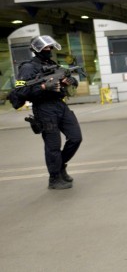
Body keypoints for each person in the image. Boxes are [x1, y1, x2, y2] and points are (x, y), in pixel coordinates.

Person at [12, 35, 82, 190]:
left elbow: (72, 81)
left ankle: (60, 166)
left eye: (50, 47)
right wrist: (43, 87)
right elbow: (21, 90)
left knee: (76, 137)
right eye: (45, 48)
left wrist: (69, 82)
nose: (49, 50)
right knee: (53, 146)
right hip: (44, 108)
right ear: (37, 50)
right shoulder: (27, 67)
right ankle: (54, 178)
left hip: (60, 105)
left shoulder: (51, 64)